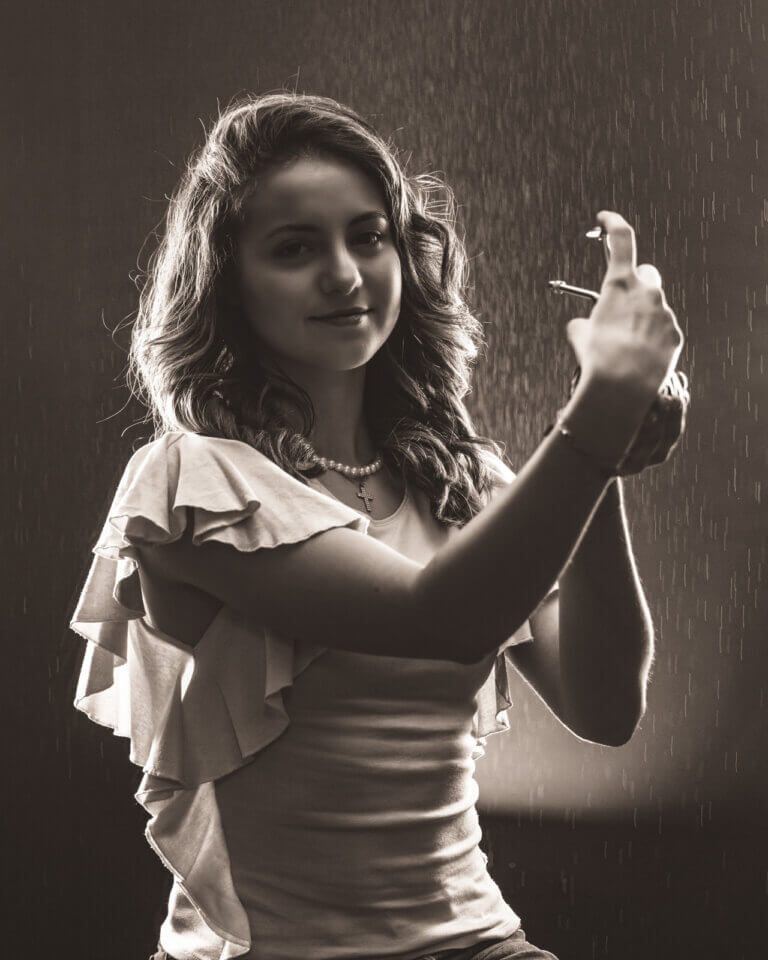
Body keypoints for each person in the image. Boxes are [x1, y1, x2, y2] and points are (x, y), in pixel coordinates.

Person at [68, 92, 686, 960]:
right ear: (228, 284)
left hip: (480, 944)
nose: (345, 274)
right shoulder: (194, 482)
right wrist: (595, 419)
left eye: (369, 236)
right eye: (294, 248)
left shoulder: (464, 481)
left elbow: (606, 706)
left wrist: (605, 457)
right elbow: (440, 618)